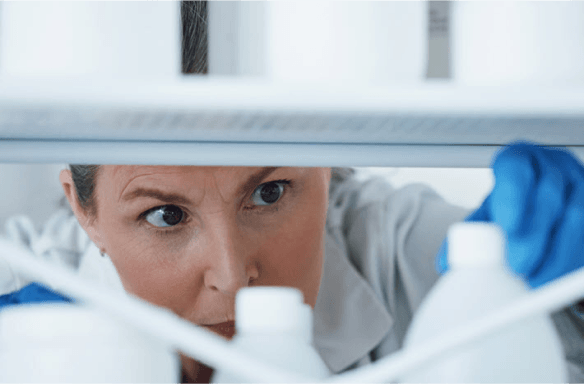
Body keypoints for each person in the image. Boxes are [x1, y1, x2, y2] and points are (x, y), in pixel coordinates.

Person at [2, 1, 584, 383]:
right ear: (85, 211)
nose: (231, 275)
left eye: (271, 193)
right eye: (166, 215)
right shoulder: (19, 281)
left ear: (328, 170)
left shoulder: (398, 251)